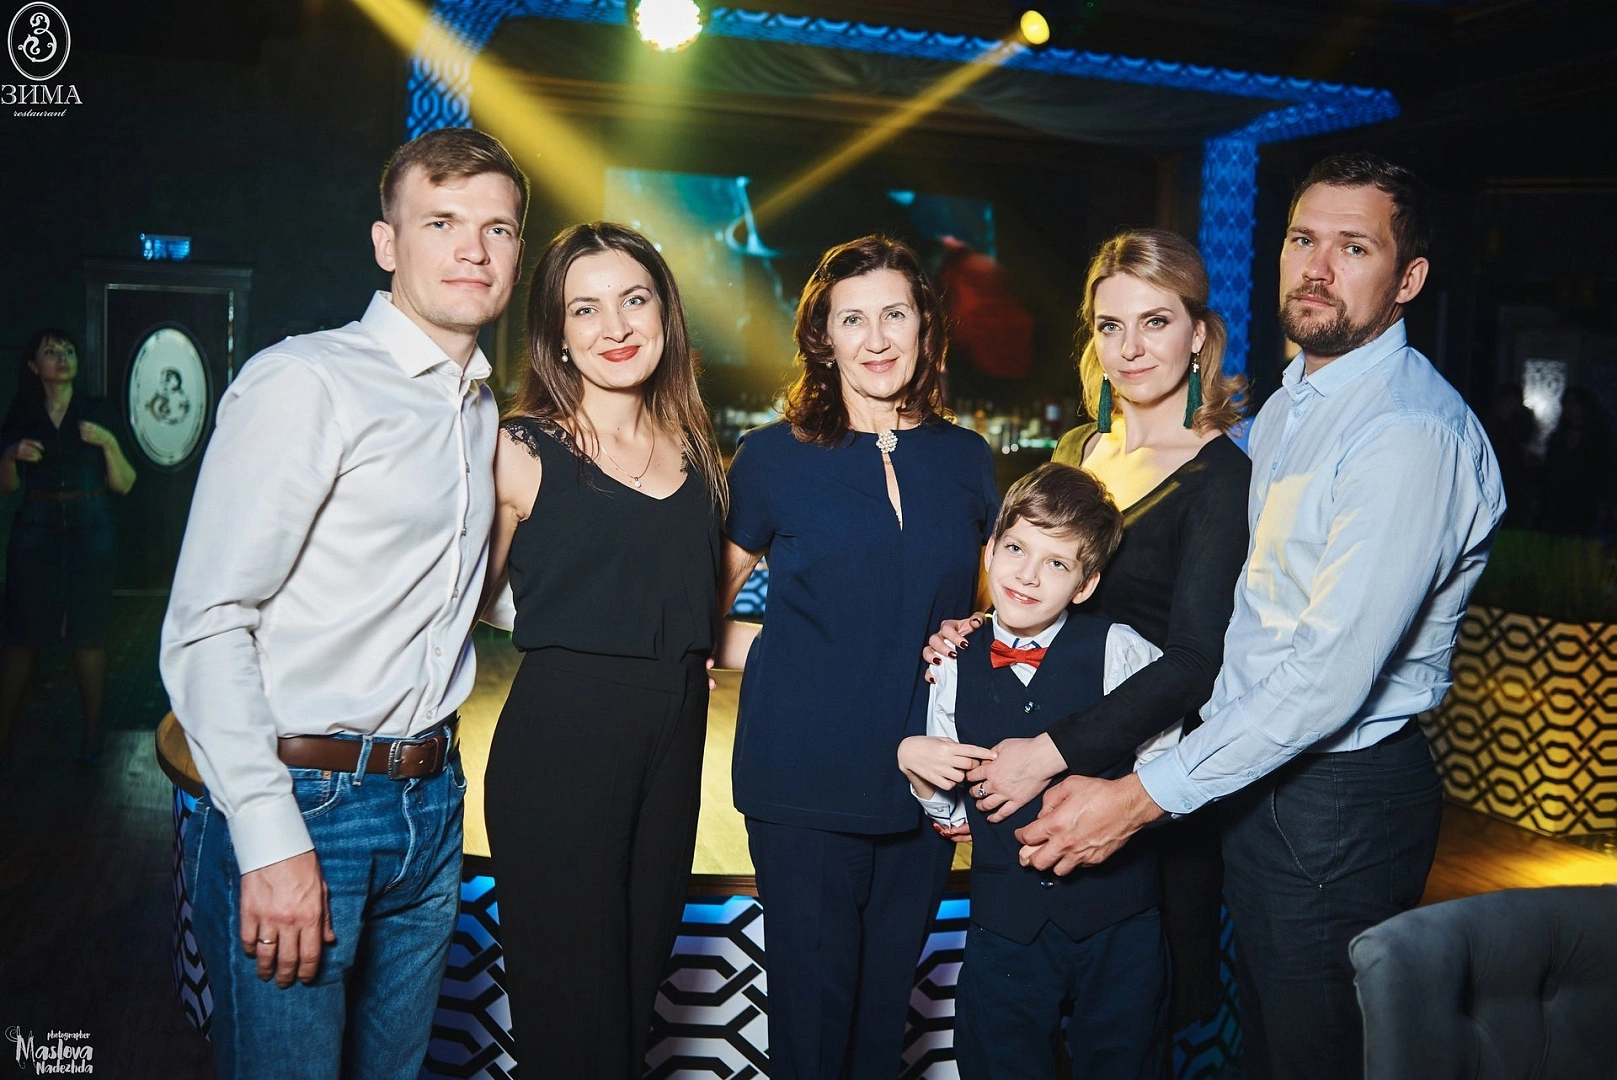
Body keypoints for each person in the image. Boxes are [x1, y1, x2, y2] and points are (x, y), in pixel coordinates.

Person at [1014, 153, 1506, 1080]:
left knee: (1311, 1053)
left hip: (1336, 797)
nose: (1315, 267)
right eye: (1301, 239)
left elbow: (1326, 677)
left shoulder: (1404, 431)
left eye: (1353, 247)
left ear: (1407, 280)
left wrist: (1141, 795)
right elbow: (1256, 621)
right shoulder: (1291, 406)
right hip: (1253, 776)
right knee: (1264, 1047)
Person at [160, 127, 527, 1078]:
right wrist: (268, 837)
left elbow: (467, 593)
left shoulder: (478, 406)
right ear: (386, 242)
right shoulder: (307, 381)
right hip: (308, 804)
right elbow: (207, 622)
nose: (472, 250)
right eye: (441, 222)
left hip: (431, 799)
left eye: (496, 229)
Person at [927, 228, 1252, 1032]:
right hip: (1024, 777)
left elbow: (1193, 663)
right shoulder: (1077, 448)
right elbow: (1040, 583)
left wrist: (1050, 753)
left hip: (1135, 786)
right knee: (1014, 1026)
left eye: (1155, 321)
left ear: (1198, 334)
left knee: (1131, 1036)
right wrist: (975, 625)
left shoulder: (1221, 478)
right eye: (1111, 326)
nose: (1130, 348)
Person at [715, 235, 999, 1079]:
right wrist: (788, 655)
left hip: (924, 781)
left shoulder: (966, 459)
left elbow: (989, 619)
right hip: (803, 779)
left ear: (924, 327)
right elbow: (697, 615)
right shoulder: (771, 457)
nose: (875, 339)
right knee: (813, 1030)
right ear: (822, 337)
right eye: (851, 319)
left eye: (894, 315)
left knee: (881, 1031)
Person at [480, 222, 726, 1076]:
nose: (614, 327)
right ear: (555, 333)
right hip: (561, 744)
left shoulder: (697, 453)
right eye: (584, 309)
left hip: (674, 743)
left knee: (627, 1010)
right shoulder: (518, 448)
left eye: (633, 300)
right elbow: (450, 608)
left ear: (664, 313)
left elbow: (700, 619)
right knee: (572, 1025)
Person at [900, 462, 1182, 1080]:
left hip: (1119, 921)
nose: (1027, 574)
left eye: (1056, 563)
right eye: (1016, 550)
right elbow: (953, 809)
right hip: (1004, 923)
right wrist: (920, 770)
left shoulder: (1122, 648)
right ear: (989, 552)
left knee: (1129, 1063)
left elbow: (1166, 760)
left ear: (1085, 585)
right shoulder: (952, 661)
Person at [0, 329, 137, 766]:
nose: (62, 357)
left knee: (88, 635)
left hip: (90, 525)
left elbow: (125, 483)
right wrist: (9, 455)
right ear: (33, 366)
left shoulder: (96, 409)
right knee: (21, 636)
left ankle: (92, 740)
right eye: (51, 351)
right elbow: (7, 487)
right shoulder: (23, 412)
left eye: (68, 351)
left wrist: (108, 442)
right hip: (36, 525)